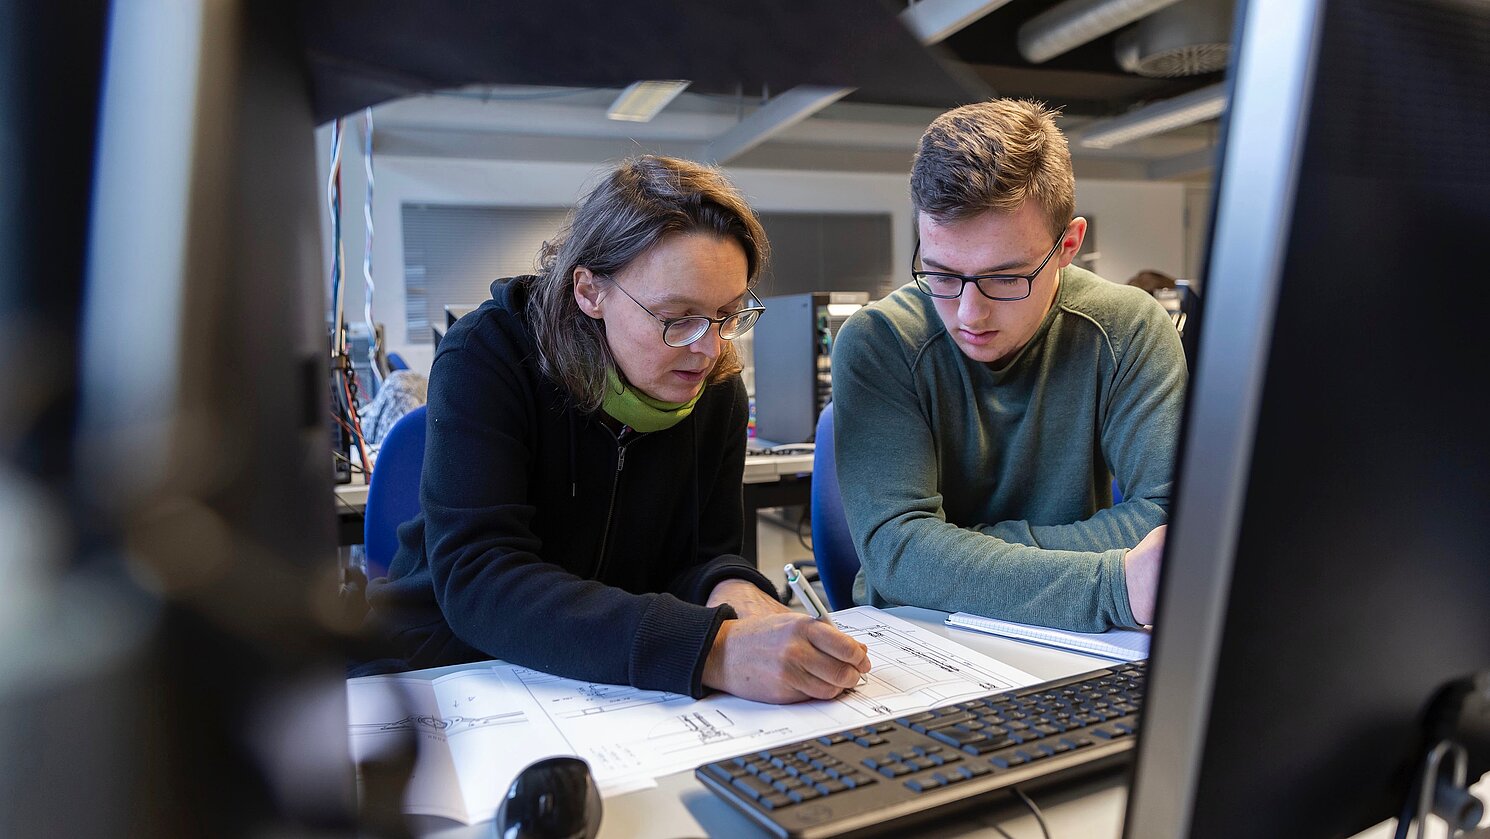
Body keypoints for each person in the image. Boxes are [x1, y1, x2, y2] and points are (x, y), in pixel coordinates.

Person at [358, 156, 870, 703]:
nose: (708, 347)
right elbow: (482, 579)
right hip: (450, 666)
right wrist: (714, 650)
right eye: (678, 318)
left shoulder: (716, 392)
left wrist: (738, 592)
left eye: (727, 314)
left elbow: (703, 555)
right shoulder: (490, 354)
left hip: (612, 680)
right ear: (589, 292)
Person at [831, 100, 1186, 631]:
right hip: (919, 633)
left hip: (1077, 637)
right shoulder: (880, 341)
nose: (969, 314)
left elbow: (1170, 524)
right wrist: (1112, 582)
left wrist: (953, 552)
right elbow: (898, 554)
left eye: (1005, 278)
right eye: (942, 274)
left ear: (1068, 245)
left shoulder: (1126, 326)